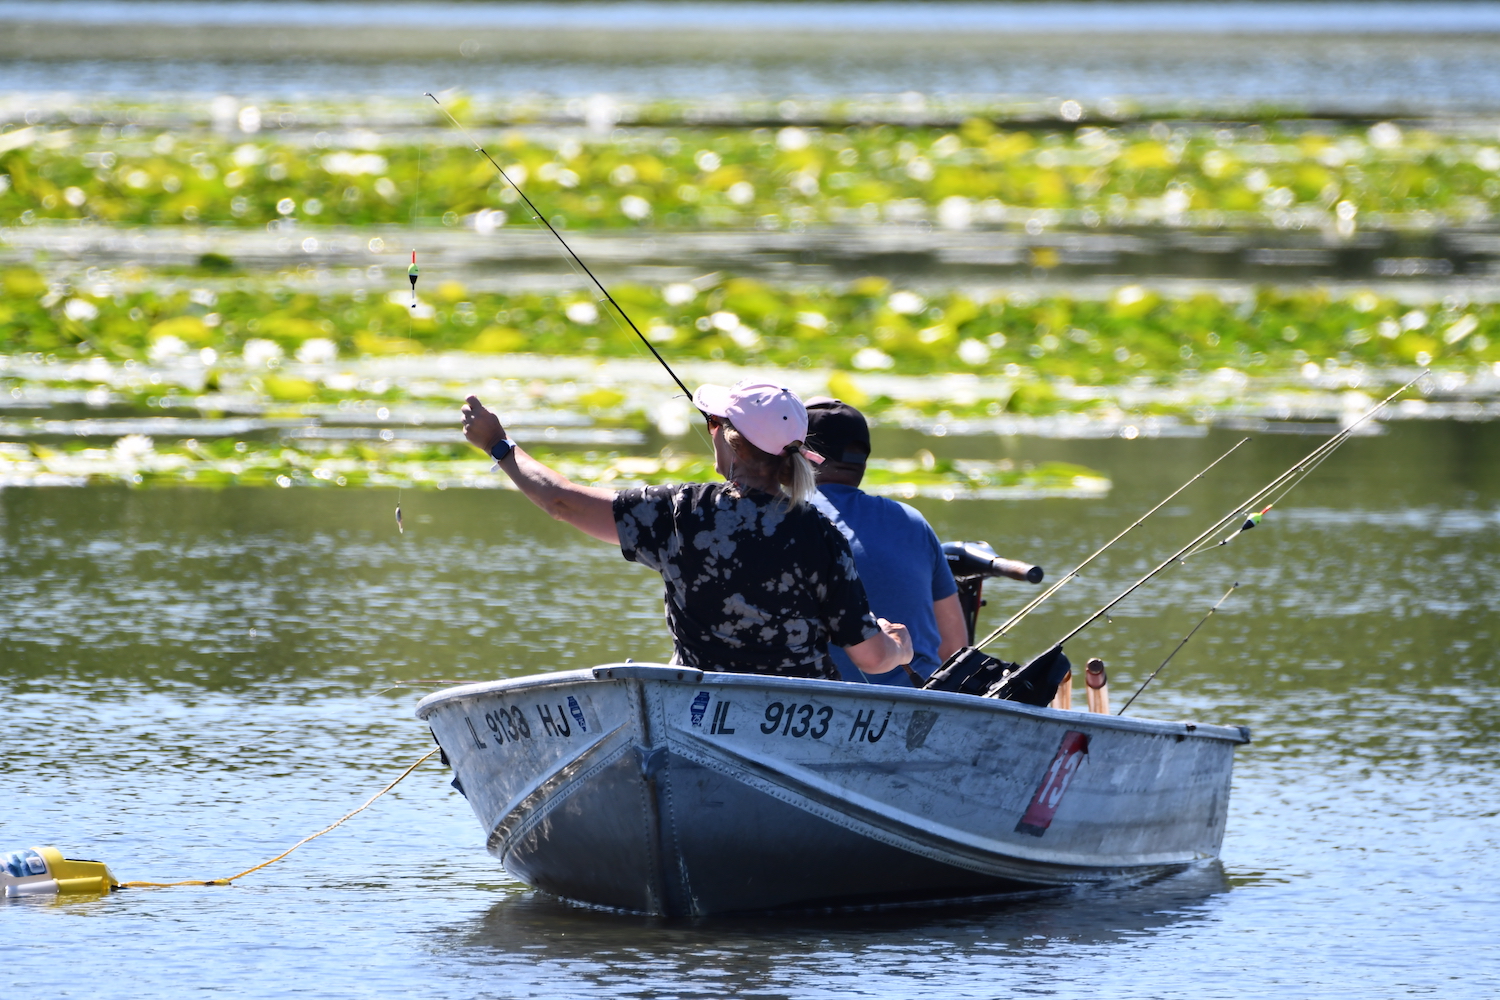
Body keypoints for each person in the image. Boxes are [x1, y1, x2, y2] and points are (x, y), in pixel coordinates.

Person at [460, 380, 913, 680]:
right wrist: (899, 646)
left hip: (696, 709)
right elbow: (872, 659)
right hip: (795, 719)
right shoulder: (821, 534)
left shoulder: (680, 511)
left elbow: (562, 501)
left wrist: (499, 445)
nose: (709, 429)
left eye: (713, 421)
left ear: (729, 438)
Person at [804, 398, 967, 686]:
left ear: (799, 456)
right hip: (920, 701)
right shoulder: (913, 521)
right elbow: (954, 649)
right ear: (863, 461)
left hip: (816, 704)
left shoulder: (784, 519)